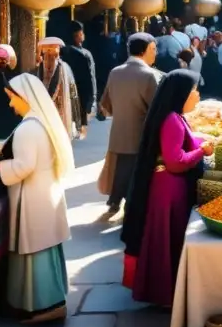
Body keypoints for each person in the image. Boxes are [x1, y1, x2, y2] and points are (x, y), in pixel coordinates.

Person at [0, 73, 73, 323]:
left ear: (24, 97)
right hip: (45, 194)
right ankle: (49, 303)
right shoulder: (39, 124)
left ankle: (46, 307)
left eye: (12, 99)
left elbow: (23, 167)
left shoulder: (28, 128)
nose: (11, 105)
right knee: (44, 247)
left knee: (36, 249)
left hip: (34, 198)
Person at [121, 70, 213, 307]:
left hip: (168, 189)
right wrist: (201, 152)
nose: (197, 95)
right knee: (167, 242)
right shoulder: (172, 120)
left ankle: (167, 293)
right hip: (169, 191)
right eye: (194, 90)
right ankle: (166, 295)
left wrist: (200, 142)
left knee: (167, 242)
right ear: (181, 93)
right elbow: (175, 161)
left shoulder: (176, 116)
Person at [99, 33, 160, 220]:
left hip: (118, 134)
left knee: (120, 169)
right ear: (145, 50)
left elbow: (105, 105)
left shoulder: (115, 72)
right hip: (140, 135)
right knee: (136, 173)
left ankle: (114, 201)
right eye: (153, 49)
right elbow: (156, 109)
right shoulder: (149, 75)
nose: (155, 53)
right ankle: (130, 207)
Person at [36, 37, 81, 141]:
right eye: (47, 53)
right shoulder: (38, 69)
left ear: (57, 54)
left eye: (52, 53)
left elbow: (72, 93)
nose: (49, 57)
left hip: (59, 109)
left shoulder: (63, 68)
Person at [61, 21, 97, 139]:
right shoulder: (84, 54)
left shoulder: (62, 52)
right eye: (79, 34)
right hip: (81, 91)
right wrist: (92, 96)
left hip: (67, 89)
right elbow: (90, 77)